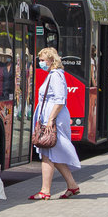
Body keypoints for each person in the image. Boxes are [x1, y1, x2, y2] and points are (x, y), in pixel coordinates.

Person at [28, 47, 81, 200]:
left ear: (52, 60)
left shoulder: (56, 76)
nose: (40, 63)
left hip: (53, 119)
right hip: (52, 117)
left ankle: (45, 191)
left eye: (43, 60)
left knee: (47, 152)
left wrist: (50, 119)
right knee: (52, 153)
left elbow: (59, 100)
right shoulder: (53, 75)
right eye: (40, 60)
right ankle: (72, 185)